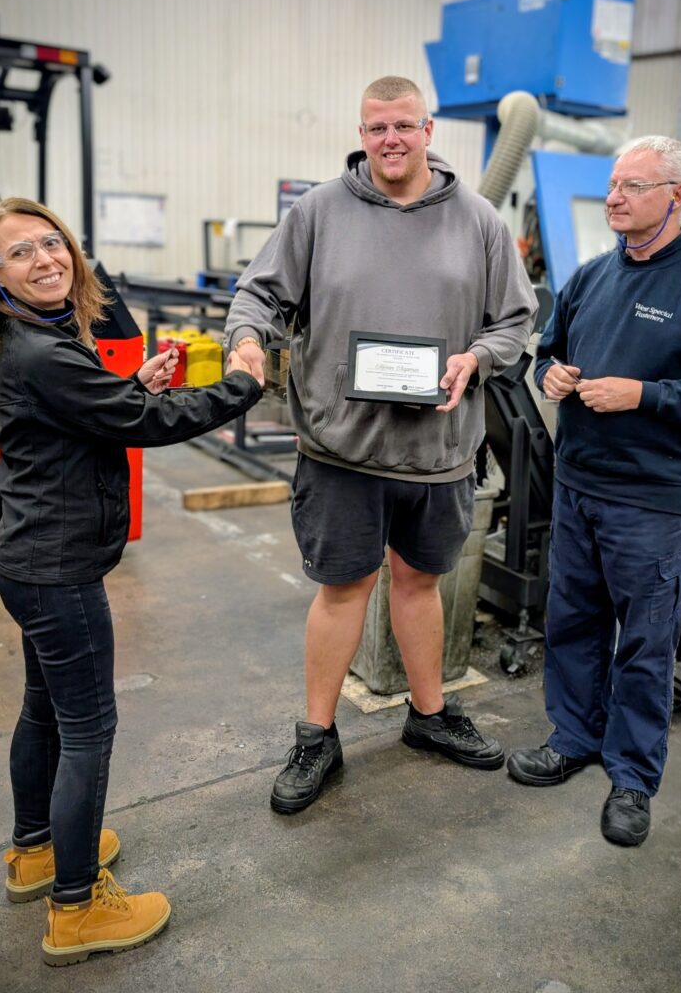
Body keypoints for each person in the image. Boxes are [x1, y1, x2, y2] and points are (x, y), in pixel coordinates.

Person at [224, 76, 538, 814]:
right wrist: (245, 344)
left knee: (420, 582)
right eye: (375, 128)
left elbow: (514, 322)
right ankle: (317, 735)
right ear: (361, 133)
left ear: (428, 128)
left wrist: (477, 359)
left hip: (437, 450)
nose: (389, 140)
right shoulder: (320, 212)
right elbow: (258, 295)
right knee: (342, 589)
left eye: (402, 126)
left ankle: (428, 717)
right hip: (340, 450)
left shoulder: (479, 221)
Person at [0, 197, 263, 965]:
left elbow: (106, 411)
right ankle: (75, 907)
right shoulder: (41, 351)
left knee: (45, 713)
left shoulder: (43, 338)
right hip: (58, 573)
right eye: (21, 252)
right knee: (89, 732)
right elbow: (145, 426)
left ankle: (34, 850)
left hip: (33, 562)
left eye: (51, 243)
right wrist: (241, 386)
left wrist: (139, 385)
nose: (45, 259)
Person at [507, 136, 681, 846]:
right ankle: (573, 738)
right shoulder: (590, 277)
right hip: (578, 484)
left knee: (645, 643)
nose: (614, 197)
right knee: (572, 622)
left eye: (632, 185)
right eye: (612, 184)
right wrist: (550, 376)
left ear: (674, 197)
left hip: (650, 498)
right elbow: (549, 353)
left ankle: (630, 776)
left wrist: (645, 395)